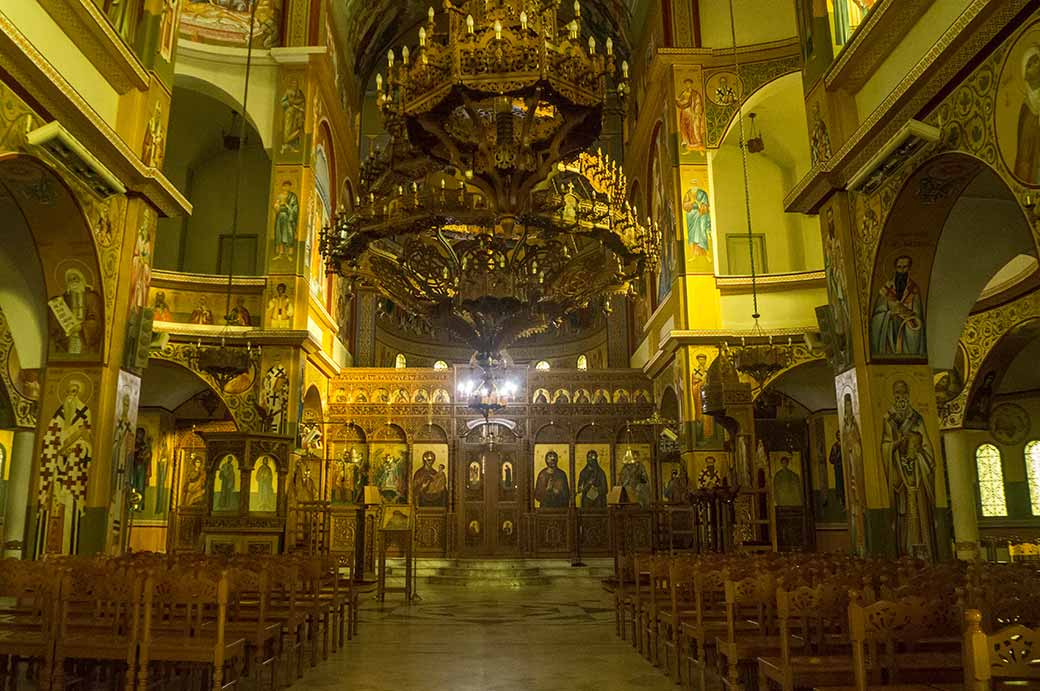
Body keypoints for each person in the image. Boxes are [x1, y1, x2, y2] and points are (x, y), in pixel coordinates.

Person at [880, 379, 937, 559]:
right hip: (900, 475)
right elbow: (885, 446)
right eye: (898, 394)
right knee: (903, 516)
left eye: (904, 393)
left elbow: (927, 446)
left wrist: (918, 455)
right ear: (893, 396)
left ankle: (926, 552)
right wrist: (897, 444)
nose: (901, 397)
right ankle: (906, 552)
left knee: (921, 515)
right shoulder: (888, 419)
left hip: (918, 474)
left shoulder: (916, 418)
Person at [39, 379, 93, 507]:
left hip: (77, 447)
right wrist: (57, 446)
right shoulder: (60, 411)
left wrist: (68, 446)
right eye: (68, 391)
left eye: (73, 391)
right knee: (49, 452)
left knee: (79, 451)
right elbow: (51, 430)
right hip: (58, 448)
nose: (70, 395)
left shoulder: (85, 412)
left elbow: (85, 433)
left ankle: (71, 498)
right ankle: (52, 497)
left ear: (78, 393)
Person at [870, 255, 925, 356]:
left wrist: (909, 317)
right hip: (889, 330)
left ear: (909, 268)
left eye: (905, 267)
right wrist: (889, 315)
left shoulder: (914, 290)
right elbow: (876, 317)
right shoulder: (886, 290)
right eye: (899, 267)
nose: (902, 271)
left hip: (907, 331)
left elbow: (918, 316)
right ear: (895, 268)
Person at [49, 267, 102, 354]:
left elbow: (97, 321)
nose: (73, 281)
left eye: (75, 278)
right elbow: (55, 324)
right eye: (69, 279)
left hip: (85, 339)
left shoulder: (92, 297)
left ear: (82, 279)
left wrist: (81, 327)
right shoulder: (63, 300)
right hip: (68, 340)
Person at [1014, 44, 1040, 185]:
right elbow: (1023, 154)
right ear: (1026, 75)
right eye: (1030, 64)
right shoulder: (1026, 108)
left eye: (1036, 60)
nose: (1037, 65)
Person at [675, 78, 705, 152]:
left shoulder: (695, 93)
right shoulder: (684, 93)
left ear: (691, 84)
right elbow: (680, 102)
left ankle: (696, 142)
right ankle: (686, 141)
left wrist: (696, 111)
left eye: (689, 83)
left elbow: (698, 102)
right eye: (686, 83)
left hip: (692, 112)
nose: (687, 85)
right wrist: (679, 101)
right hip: (684, 112)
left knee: (693, 127)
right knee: (684, 127)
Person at [683, 183, 712, 258]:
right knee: (693, 234)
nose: (693, 187)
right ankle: (694, 253)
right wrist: (691, 203)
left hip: (701, 215)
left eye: (695, 185)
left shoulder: (702, 193)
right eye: (692, 185)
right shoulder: (688, 194)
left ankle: (704, 252)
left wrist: (701, 208)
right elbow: (685, 206)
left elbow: (706, 205)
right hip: (691, 217)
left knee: (702, 231)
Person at [273, 181, 299, 258]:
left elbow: (295, 208)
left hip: (289, 218)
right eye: (285, 186)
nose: (286, 187)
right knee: (280, 234)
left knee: (288, 234)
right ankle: (280, 253)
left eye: (288, 186)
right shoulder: (279, 196)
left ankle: (288, 254)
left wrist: (286, 205)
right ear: (282, 187)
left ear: (290, 187)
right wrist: (277, 206)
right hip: (280, 217)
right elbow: (276, 207)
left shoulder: (293, 196)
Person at [280, 78, 306, 154]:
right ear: (291, 84)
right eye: (293, 83)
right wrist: (289, 103)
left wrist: (300, 106)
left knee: (296, 128)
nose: (295, 85)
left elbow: (303, 101)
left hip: (297, 113)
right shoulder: (288, 91)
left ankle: (294, 146)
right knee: (288, 129)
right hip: (289, 114)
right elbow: (282, 102)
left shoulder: (300, 92)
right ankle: (286, 144)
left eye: (296, 83)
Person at [130, 427, 151, 497]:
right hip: (133, 466)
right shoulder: (133, 443)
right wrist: (136, 450)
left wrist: (145, 454)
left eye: (142, 433)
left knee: (140, 485)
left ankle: (139, 503)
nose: (140, 435)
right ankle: (131, 501)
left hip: (141, 466)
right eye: (139, 433)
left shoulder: (144, 445)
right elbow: (130, 452)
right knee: (133, 484)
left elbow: (148, 454)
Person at [829, 430, 845, 508]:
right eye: (837, 435)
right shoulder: (834, 446)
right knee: (840, 485)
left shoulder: (846, 443)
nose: (839, 436)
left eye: (840, 435)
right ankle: (842, 501)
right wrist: (836, 457)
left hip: (846, 468)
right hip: (838, 468)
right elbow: (831, 459)